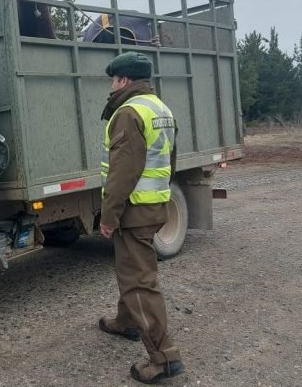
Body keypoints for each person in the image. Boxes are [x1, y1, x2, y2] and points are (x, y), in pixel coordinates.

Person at [98, 52, 185, 384]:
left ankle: (164, 358)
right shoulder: (160, 108)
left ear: (124, 80)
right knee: (131, 267)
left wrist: (109, 215)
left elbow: (122, 172)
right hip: (153, 203)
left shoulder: (128, 112)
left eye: (113, 79)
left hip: (133, 208)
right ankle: (127, 322)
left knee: (139, 280)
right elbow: (170, 160)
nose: (111, 86)